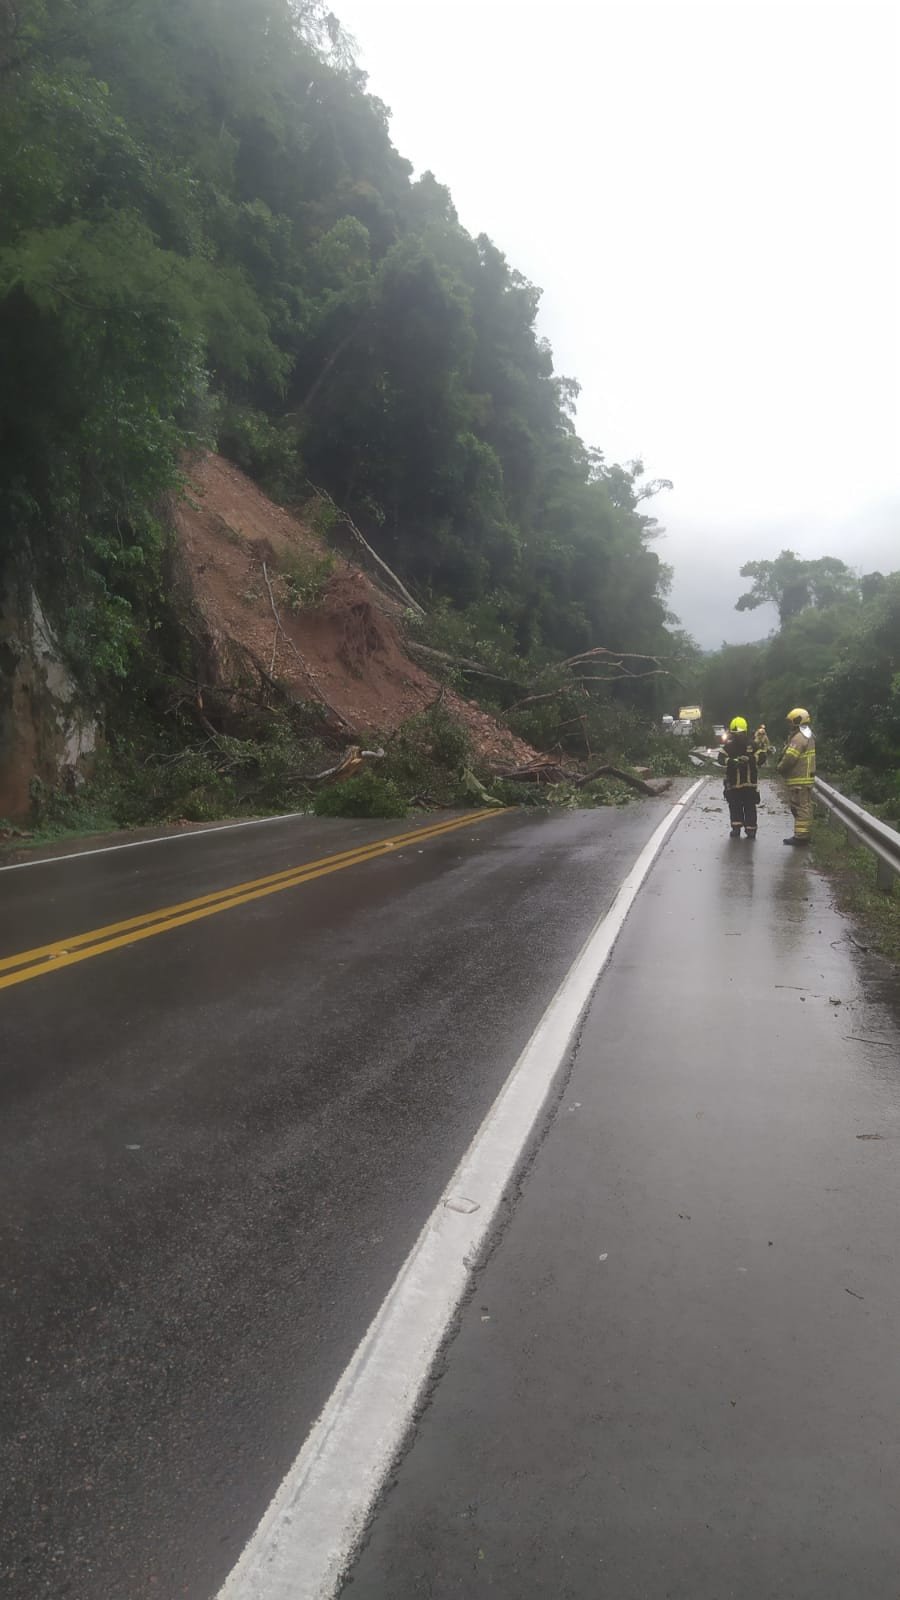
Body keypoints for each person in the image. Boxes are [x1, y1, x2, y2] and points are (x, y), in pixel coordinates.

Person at [718, 716, 765, 838]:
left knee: (750, 806)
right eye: (734, 734)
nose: (736, 737)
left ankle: (751, 829)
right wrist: (731, 761)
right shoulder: (729, 746)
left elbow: (762, 757)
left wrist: (750, 759)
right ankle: (736, 828)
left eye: (738, 734)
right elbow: (720, 758)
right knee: (734, 805)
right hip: (734, 783)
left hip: (749, 783)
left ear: (744, 732)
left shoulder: (752, 745)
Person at [778, 707, 816, 845]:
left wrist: (780, 768)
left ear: (797, 721)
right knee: (800, 807)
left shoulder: (799, 737)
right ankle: (802, 835)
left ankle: (801, 837)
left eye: (791, 722)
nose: (790, 725)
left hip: (800, 779)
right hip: (803, 779)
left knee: (801, 808)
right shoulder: (806, 735)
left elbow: (790, 757)